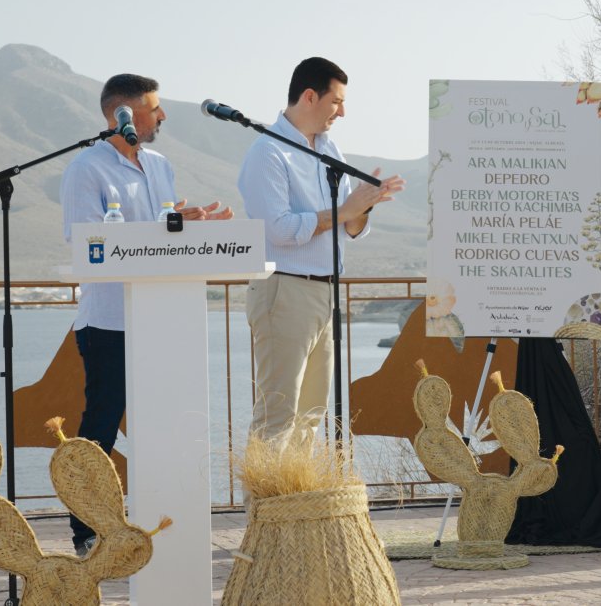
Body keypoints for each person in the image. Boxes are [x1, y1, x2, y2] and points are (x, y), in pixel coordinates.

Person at [59, 73, 232, 557]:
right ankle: (87, 532)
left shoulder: (161, 166)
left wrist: (190, 224)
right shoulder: (86, 168)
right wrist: (165, 226)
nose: (163, 116)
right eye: (156, 108)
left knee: (166, 422)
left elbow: (164, 235)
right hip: (110, 320)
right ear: (125, 113)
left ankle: (165, 521)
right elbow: (86, 241)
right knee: (101, 426)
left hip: (164, 319)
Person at [238, 57, 404, 450]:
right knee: (277, 413)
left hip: (325, 292)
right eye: (336, 102)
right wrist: (344, 211)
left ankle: (297, 490)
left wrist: (364, 206)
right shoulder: (268, 152)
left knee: (311, 414)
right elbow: (279, 229)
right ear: (310, 96)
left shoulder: (329, 151)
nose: (341, 112)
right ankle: (262, 492)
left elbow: (350, 227)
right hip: (285, 290)